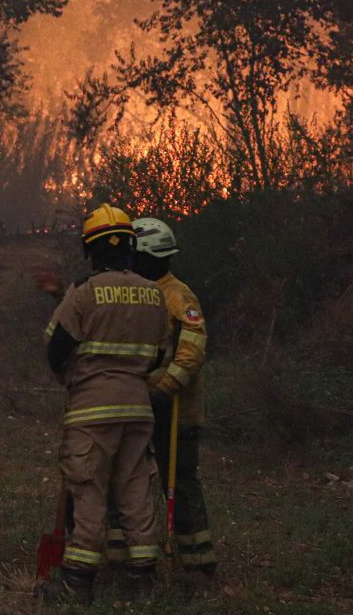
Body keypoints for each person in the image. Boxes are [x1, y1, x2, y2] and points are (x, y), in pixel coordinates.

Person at [41, 204, 168, 603]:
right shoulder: (154, 293)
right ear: (130, 247)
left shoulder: (83, 292)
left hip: (91, 410)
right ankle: (144, 580)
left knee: (89, 488)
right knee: (135, 489)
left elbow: (56, 348)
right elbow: (161, 357)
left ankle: (78, 581)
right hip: (137, 406)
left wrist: (75, 375)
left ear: (90, 249)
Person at [128, 218, 216, 576]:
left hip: (175, 410)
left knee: (180, 483)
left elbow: (192, 348)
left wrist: (166, 389)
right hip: (142, 405)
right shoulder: (140, 290)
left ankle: (198, 565)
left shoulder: (178, 296)